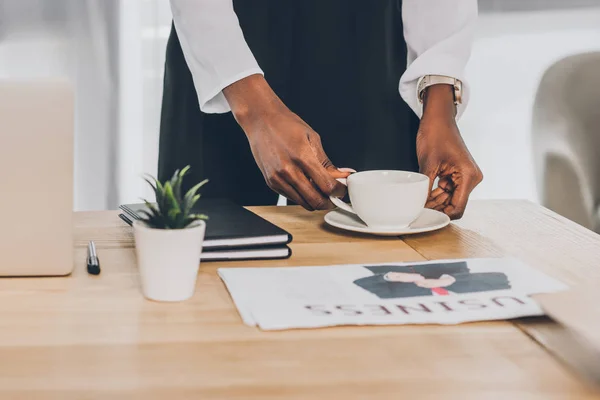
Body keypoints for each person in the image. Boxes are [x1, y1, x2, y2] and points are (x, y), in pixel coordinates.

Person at [159, 0, 483, 219]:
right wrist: (254, 109)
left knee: (377, 273)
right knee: (205, 267)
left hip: (369, 48)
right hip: (222, 50)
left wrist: (439, 99)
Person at [352, 262, 512, 299]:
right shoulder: (469, 288)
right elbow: (503, 278)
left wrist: (392, 276)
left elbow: (358, 287)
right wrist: (451, 280)